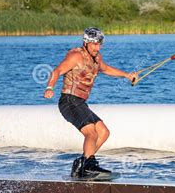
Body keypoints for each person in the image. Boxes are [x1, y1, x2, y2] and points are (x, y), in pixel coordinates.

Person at [44, 27, 136, 178]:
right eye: (94, 44)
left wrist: (127, 75)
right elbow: (57, 71)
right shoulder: (75, 56)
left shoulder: (97, 58)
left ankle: (83, 163)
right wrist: (49, 87)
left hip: (80, 102)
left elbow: (105, 69)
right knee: (91, 132)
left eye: (99, 44)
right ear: (86, 43)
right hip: (69, 101)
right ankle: (88, 166)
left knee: (103, 132)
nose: (97, 48)